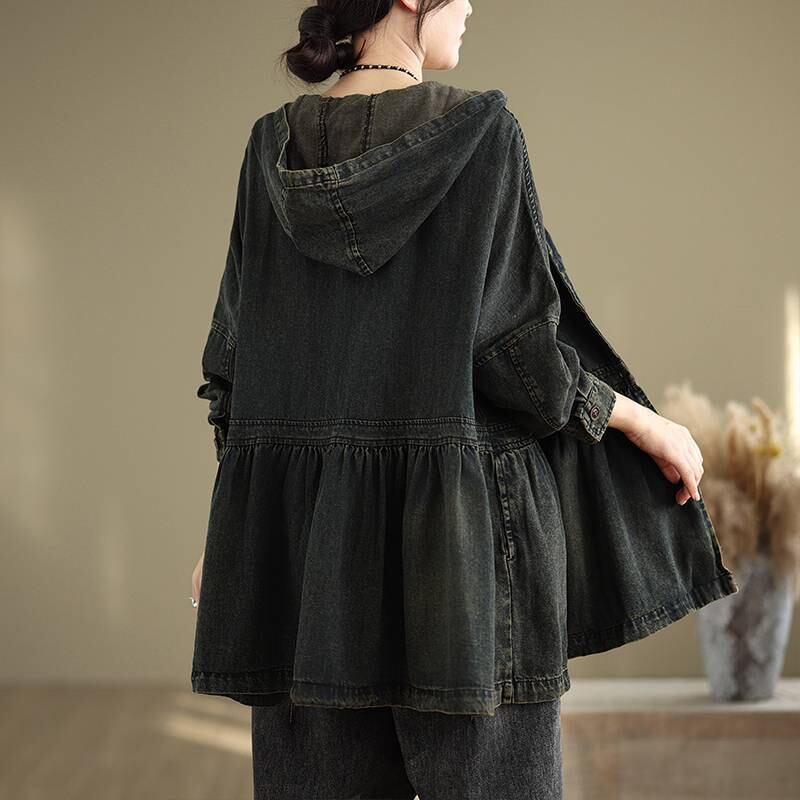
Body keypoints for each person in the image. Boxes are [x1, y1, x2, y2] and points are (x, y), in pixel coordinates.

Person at [189, 1, 738, 797]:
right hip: (466, 566)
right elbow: (515, 354)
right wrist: (641, 421)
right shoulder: (482, 134)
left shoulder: (269, 151)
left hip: (306, 568)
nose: (473, 3)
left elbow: (236, 367)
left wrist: (237, 536)